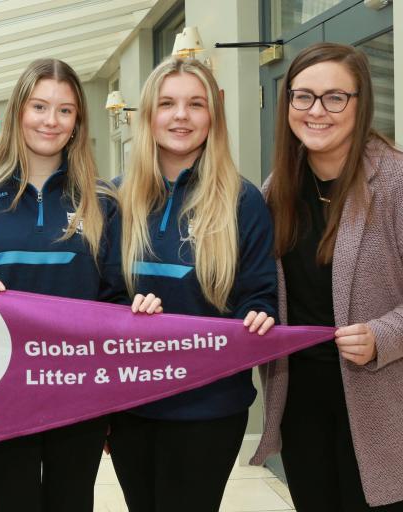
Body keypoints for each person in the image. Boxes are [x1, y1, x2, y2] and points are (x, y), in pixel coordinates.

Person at [109, 57, 277, 511]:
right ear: (147, 116)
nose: (180, 116)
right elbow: (100, 296)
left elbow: (261, 292)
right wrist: (128, 307)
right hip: (132, 401)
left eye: (195, 104)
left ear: (212, 117)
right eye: (167, 103)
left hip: (210, 406)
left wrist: (259, 314)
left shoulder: (243, 201)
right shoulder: (115, 198)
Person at [251, 42, 403, 511]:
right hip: (301, 404)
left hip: (383, 405)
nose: (317, 111)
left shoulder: (395, 182)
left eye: (335, 97)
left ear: (360, 104)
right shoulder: (274, 192)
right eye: (304, 97)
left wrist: (385, 334)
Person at [0, 58, 127, 512]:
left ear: (78, 121)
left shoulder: (102, 202)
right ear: (19, 112)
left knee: (72, 502)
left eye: (64, 110)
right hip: (1, 389)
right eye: (39, 106)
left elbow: (115, 299)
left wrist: (113, 395)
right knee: (9, 503)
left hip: (77, 388)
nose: (51, 121)